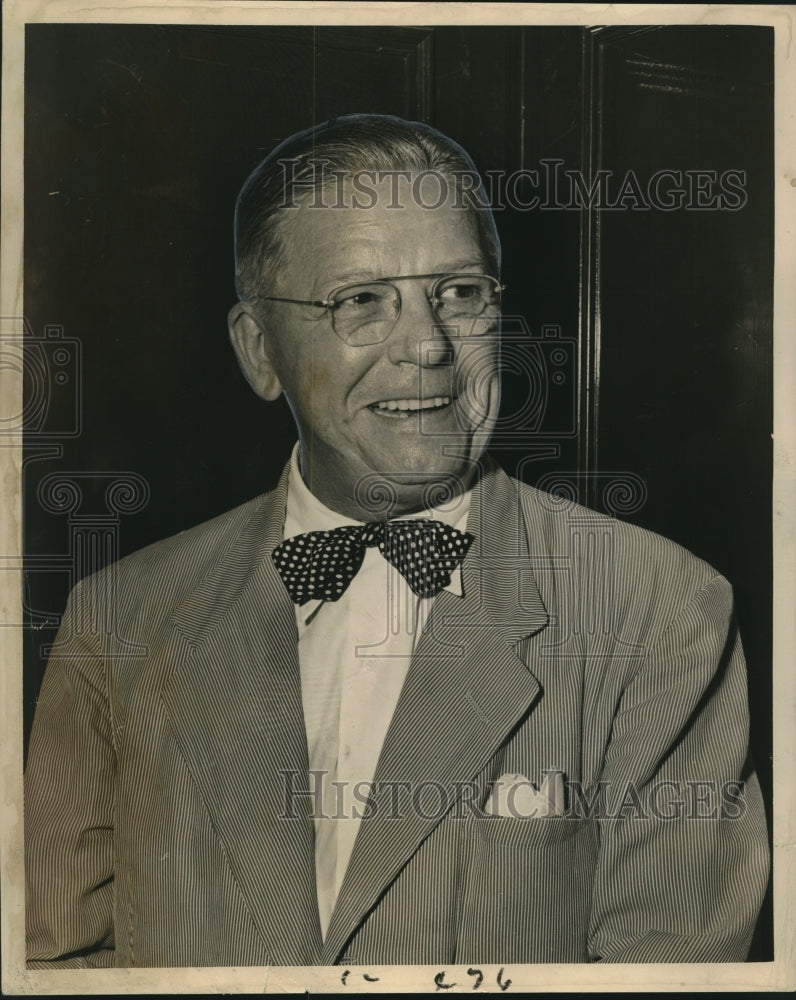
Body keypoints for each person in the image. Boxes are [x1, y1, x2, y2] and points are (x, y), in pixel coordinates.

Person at [25, 114, 769, 968]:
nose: (427, 346)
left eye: (460, 292)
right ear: (259, 350)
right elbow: (51, 962)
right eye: (361, 301)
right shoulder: (118, 616)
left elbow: (669, 973)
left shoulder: (661, 609)